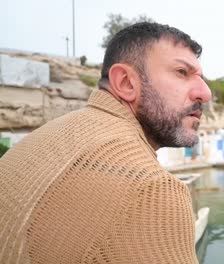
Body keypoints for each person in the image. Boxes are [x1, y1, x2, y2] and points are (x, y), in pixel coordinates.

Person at [0, 22, 211, 263]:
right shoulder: (152, 189)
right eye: (182, 72)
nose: (205, 93)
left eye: (201, 78)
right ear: (125, 83)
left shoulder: (42, 138)